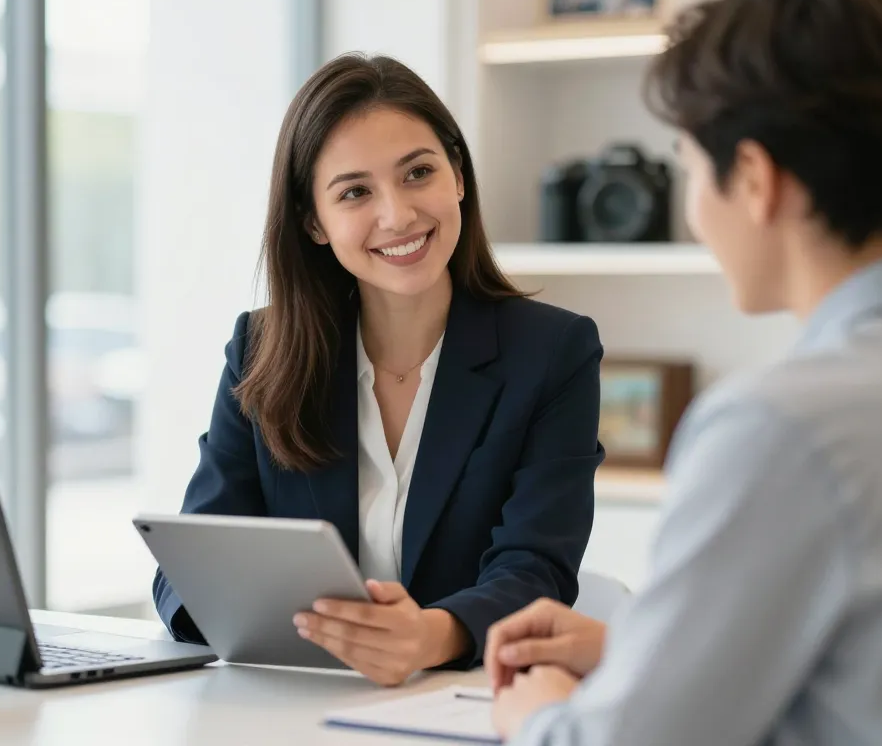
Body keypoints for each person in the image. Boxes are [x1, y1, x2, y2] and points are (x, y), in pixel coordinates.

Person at [485, 0, 882, 743]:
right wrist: (642, 650)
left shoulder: (779, 427)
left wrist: (533, 714)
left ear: (754, 179)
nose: (694, 213)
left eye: (690, 168)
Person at [152, 53, 605, 686]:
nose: (397, 215)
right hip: (290, 697)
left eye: (418, 173)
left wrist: (429, 636)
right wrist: (249, 618)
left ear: (458, 178)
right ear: (314, 221)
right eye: (355, 192)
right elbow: (187, 567)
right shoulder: (261, 349)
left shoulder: (553, 351)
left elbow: (537, 571)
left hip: (461, 699)